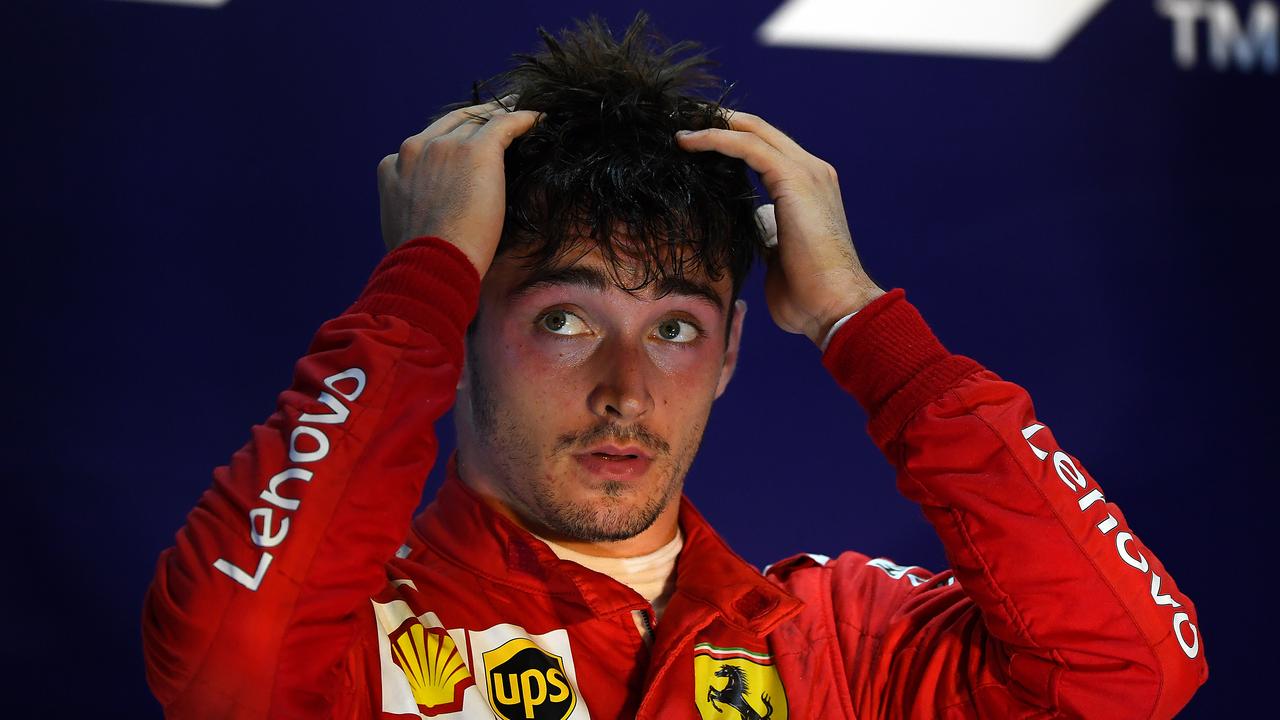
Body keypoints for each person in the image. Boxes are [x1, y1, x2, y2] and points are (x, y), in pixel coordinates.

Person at [142, 13, 1207, 719]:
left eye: (675, 328)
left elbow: (1132, 669)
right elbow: (226, 669)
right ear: (454, 336)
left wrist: (858, 320)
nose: (625, 388)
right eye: (564, 319)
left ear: (732, 350)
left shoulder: (839, 641)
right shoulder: (352, 645)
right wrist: (419, 282)